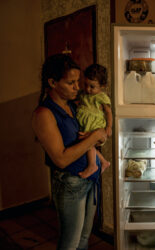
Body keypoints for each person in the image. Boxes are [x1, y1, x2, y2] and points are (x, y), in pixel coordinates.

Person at [32, 54, 108, 250]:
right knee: (70, 243)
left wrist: (101, 135)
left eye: (77, 82)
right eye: (71, 83)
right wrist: (94, 136)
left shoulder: (72, 106)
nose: (77, 87)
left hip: (90, 178)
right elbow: (61, 159)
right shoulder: (44, 114)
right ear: (53, 82)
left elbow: (91, 134)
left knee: (84, 238)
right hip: (70, 183)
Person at [76, 64, 112, 179]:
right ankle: (103, 162)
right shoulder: (83, 94)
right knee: (89, 145)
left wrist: (109, 127)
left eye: (92, 87)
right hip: (86, 125)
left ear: (102, 86)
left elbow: (108, 112)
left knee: (88, 143)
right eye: (85, 85)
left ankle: (92, 165)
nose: (88, 89)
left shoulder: (101, 97)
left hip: (95, 125)